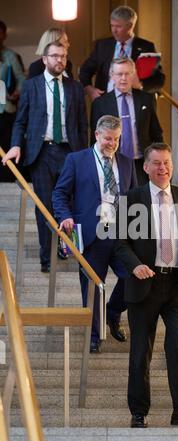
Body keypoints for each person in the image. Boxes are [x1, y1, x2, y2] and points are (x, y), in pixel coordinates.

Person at [116, 142, 178, 428]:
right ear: (146, 167)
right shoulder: (130, 199)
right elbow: (120, 243)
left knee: (177, 343)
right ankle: (139, 412)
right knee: (141, 349)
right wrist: (135, 265)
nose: (163, 168)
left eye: (167, 162)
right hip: (145, 284)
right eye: (156, 163)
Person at [52, 115, 137, 352]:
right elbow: (59, 193)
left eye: (117, 139)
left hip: (121, 233)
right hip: (91, 233)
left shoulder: (127, 162)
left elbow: (135, 197)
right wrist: (64, 216)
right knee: (92, 285)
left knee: (133, 277)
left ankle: (113, 312)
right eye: (108, 138)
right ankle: (95, 334)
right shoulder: (76, 160)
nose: (112, 144)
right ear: (97, 135)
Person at [3, 41, 87, 273]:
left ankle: (69, 249)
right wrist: (16, 146)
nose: (59, 60)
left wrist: (84, 155)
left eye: (63, 56)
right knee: (44, 207)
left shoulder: (76, 88)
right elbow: (20, 121)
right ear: (45, 59)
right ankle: (46, 258)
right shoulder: (32, 86)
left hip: (70, 153)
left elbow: (82, 125)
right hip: (41, 153)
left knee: (72, 204)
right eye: (54, 56)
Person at [91, 57, 163, 184]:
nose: (123, 78)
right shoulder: (100, 104)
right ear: (112, 76)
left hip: (142, 165)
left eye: (127, 74)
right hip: (113, 164)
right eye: (119, 74)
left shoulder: (146, 99)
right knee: (122, 203)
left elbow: (156, 132)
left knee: (142, 203)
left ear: (133, 74)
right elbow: (94, 139)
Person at [79, 5, 165, 101]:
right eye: (112, 26)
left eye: (119, 26)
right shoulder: (102, 46)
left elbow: (159, 80)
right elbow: (84, 71)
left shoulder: (146, 47)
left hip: (136, 103)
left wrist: (141, 85)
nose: (114, 30)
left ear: (130, 26)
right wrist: (90, 90)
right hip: (107, 103)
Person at [0, 20, 25, 182]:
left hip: (5, 110)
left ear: (4, 36)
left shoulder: (10, 56)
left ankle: (6, 180)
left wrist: (17, 92)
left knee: (6, 146)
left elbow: (22, 78)